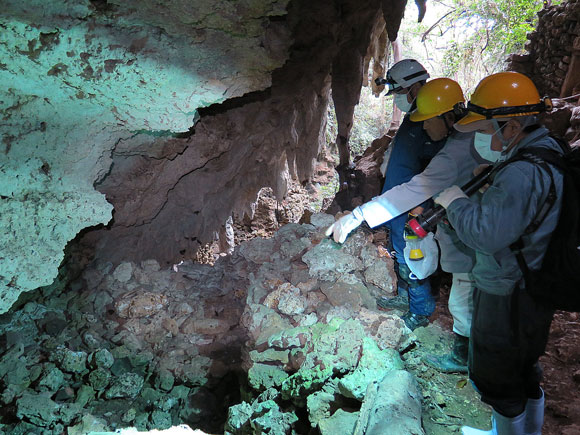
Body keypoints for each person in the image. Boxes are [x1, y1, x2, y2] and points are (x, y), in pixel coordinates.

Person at [434, 72, 561, 435]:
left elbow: (484, 235)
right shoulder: (546, 152)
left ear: (513, 126)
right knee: (524, 367)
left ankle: (505, 431)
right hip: (535, 283)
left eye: (489, 128)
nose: (484, 136)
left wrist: (455, 202)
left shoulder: (522, 172)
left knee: (498, 376)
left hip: (508, 289)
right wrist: (497, 178)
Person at [326, 77, 481, 338]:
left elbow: (420, 186)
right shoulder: (463, 138)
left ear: (448, 117)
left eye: (428, 120)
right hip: (458, 221)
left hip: (473, 230)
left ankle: (438, 327)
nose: (424, 126)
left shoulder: (457, 150)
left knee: (452, 283)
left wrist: (358, 215)